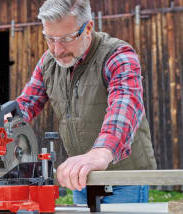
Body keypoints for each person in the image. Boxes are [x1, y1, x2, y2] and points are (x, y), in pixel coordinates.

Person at [15, 0, 157, 204]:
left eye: (65, 39)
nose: (57, 50)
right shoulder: (48, 63)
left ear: (88, 28)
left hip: (124, 176)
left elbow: (125, 105)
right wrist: (1, 124)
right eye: (50, 39)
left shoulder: (117, 55)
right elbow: (26, 104)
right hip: (81, 176)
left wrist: (101, 152)